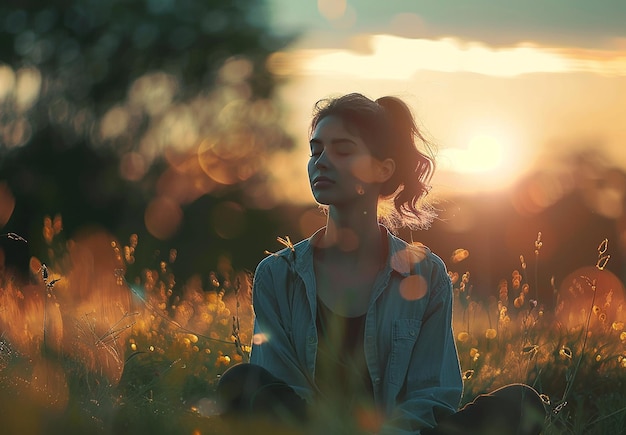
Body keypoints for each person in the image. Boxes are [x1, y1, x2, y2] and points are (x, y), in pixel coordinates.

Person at [216, 93, 546, 434]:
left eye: (342, 150)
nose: (322, 161)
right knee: (242, 383)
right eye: (316, 151)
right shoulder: (277, 274)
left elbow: (432, 394)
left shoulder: (426, 274)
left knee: (521, 403)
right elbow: (281, 383)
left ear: (382, 168)